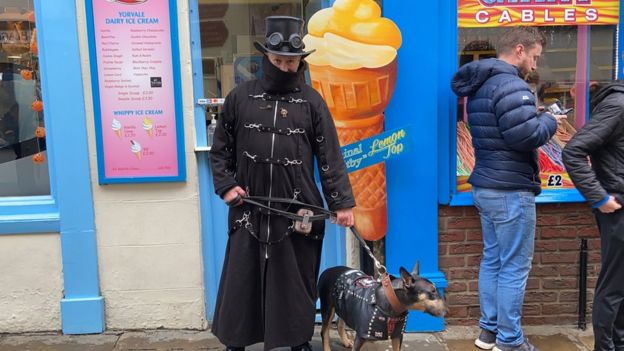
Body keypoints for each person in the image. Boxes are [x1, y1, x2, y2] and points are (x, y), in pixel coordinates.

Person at [209, 16, 356, 351]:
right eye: (278, 60)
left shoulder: (312, 101)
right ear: (267, 58)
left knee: (294, 278)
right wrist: (227, 186)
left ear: (300, 61)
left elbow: (330, 155)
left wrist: (342, 203)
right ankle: (237, 340)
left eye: (291, 61)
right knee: (242, 278)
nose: (285, 67)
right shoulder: (239, 97)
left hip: (298, 206)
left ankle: (296, 339)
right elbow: (220, 151)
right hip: (249, 205)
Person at [451, 27, 567, 351]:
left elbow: (506, 129)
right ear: (519, 49)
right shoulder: (512, 85)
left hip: (486, 185)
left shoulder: (483, 85)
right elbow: (524, 137)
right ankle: (511, 340)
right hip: (510, 190)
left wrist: (533, 116)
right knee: (514, 266)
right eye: (533, 56)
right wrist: (550, 121)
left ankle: (488, 332)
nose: (533, 64)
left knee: (493, 260)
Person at [562, 81, 624, 351]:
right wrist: (599, 198)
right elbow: (573, 151)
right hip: (618, 207)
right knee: (614, 287)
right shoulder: (618, 105)